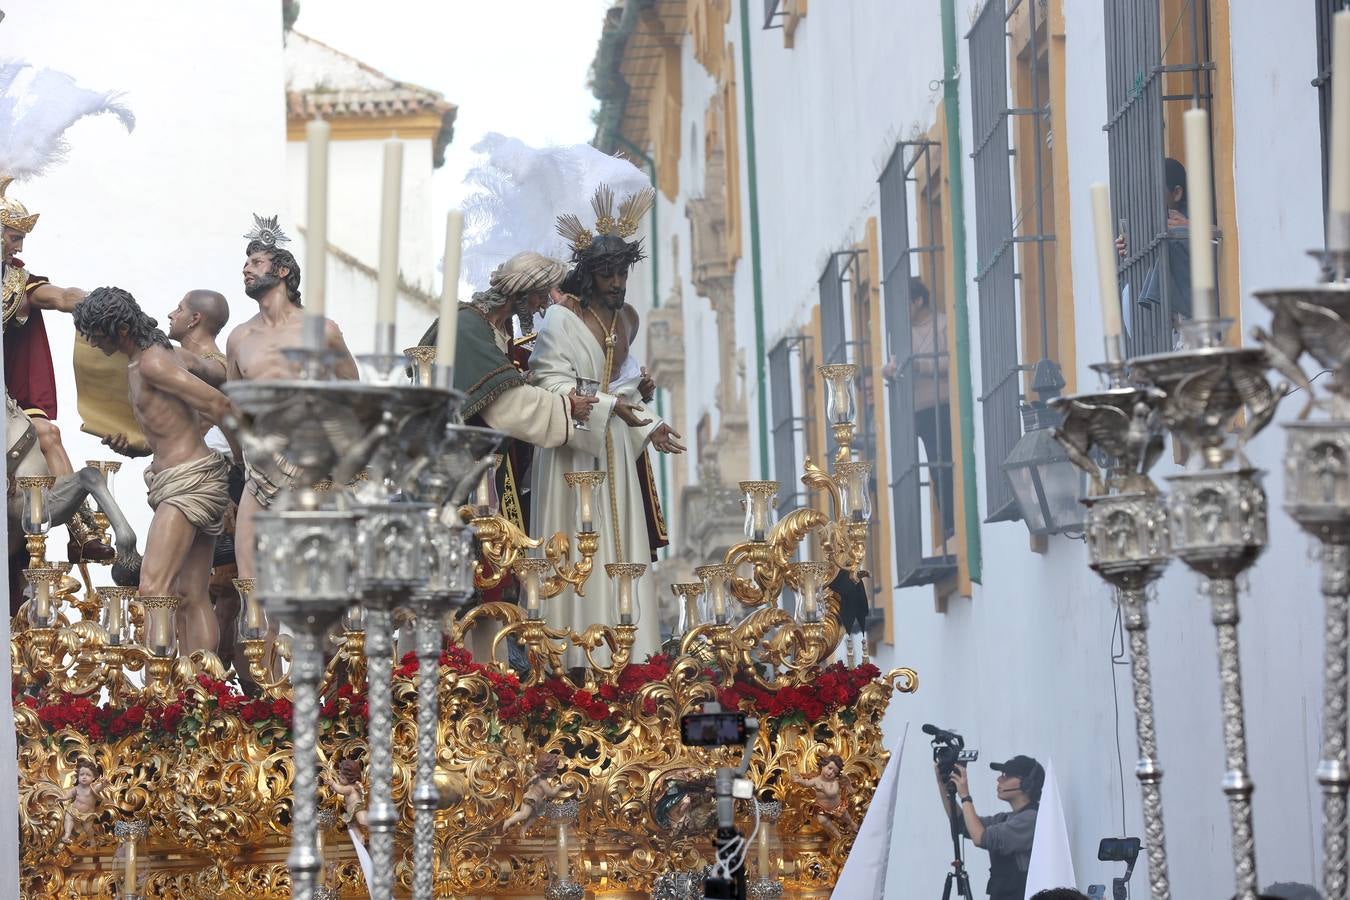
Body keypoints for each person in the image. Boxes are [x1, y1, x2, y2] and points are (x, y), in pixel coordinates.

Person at [531, 186, 685, 664]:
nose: (618, 282)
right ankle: (574, 659)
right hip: (572, 453)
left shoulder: (626, 321)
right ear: (590, 277)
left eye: (622, 272)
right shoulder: (562, 319)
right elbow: (547, 383)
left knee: (623, 548)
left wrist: (649, 420)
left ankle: (631, 658)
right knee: (577, 552)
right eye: (608, 275)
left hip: (616, 448)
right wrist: (603, 404)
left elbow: (623, 389)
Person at [74, 287, 241, 657]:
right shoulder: (162, 357)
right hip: (183, 479)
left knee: (153, 587)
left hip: (188, 483)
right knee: (189, 592)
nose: (90, 341)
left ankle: (161, 690)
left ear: (119, 329)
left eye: (95, 332)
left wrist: (242, 467)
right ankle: (200, 688)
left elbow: (218, 402)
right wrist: (137, 447)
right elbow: (216, 374)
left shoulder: (153, 362)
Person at [418, 251, 597, 532]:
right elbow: (504, 403)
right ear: (519, 294)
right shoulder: (467, 327)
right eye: (538, 296)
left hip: (484, 470)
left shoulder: (497, 328)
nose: (541, 307)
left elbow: (496, 384)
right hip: (454, 473)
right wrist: (567, 407)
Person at [225, 214, 358, 594]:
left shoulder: (321, 330)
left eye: (255, 262)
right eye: (246, 263)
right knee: (250, 581)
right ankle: (260, 655)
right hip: (259, 469)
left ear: (282, 270)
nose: (246, 269)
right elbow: (235, 407)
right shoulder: (239, 338)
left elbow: (352, 391)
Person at [1, 177, 113, 561]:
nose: (19, 245)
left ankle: (80, 531)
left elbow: (62, 296)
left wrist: (93, 302)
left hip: (7, 396)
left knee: (47, 431)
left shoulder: (17, 283)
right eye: (13, 236)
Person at [882, 277, 953, 543]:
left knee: (945, 464)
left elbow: (952, 359)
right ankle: (947, 525)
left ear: (918, 300)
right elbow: (894, 364)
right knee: (935, 467)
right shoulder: (901, 333)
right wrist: (888, 372)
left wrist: (920, 367)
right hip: (918, 412)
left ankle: (952, 524)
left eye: (904, 303)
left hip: (943, 405)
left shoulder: (944, 324)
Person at [938, 753, 1044, 900]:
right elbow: (963, 823)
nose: (999, 779)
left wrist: (965, 796)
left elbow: (980, 838)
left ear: (1027, 784)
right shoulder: (1005, 818)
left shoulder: (1031, 819)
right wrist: (942, 783)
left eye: (1006, 775)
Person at [1115, 157, 1193, 347]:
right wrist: (1130, 252)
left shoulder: (1191, 217)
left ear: (1176, 193)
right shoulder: (1146, 224)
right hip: (1155, 331)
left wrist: (1192, 228)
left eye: (1155, 192)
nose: (1148, 199)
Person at [794, 753, 856, 840]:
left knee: (845, 817)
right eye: (830, 768)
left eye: (834, 772)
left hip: (836, 806)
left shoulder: (834, 782)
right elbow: (806, 784)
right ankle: (836, 833)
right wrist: (799, 781)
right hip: (822, 807)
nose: (830, 772)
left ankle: (852, 824)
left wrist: (823, 789)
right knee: (822, 820)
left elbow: (832, 793)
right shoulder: (816, 780)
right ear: (823, 766)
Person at [59, 758, 107, 844]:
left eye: (88, 775)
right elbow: (70, 794)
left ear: (93, 778)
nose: (84, 777)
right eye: (82, 774)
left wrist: (103, 784)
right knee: (68, 818)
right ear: (78, 776)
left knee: (87, 828)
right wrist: (64, 798)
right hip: (74, 810)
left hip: (87, 814)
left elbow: (100, 787)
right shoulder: (77, 788)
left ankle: (91, 839)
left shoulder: (93, 788)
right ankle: (67, 834)